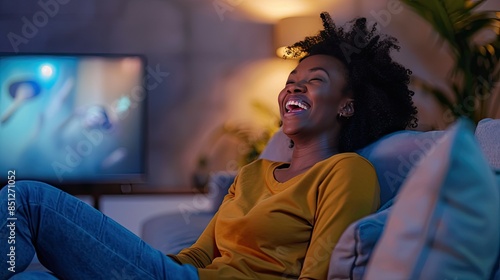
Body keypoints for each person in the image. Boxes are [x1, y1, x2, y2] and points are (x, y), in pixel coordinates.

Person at [0, 12, 417, 280]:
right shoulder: (255, 173)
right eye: (291, 80)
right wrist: (130, 259)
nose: (295, 86)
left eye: (314, 80)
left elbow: (319, 276)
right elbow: (200, 256)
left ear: (348, 105)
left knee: (29, 199)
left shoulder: (345, 172)